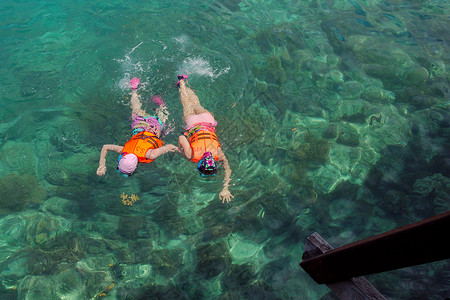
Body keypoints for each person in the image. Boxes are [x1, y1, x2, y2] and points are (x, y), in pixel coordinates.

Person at [96, 77, 178, 177]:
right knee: (136, 108)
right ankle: (134, 90)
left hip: (154, 127)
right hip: (138, 125)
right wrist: (101, 164)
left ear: (135, 168)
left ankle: (162, 105)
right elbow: (106, 147)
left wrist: (180, 151)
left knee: (164, 117)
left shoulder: (151, 154)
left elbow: (169, 147)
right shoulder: (123, 150)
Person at [176, 75, 234, 203]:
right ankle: (181, 83)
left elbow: (228, 169)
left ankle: (185, 81)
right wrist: (182, 151)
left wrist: (226, 187)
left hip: (208, 120)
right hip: (193, 124)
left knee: (196, 103)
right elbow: (181, 137)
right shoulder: (191, 155)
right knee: (186, 103)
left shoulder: (217, 153)